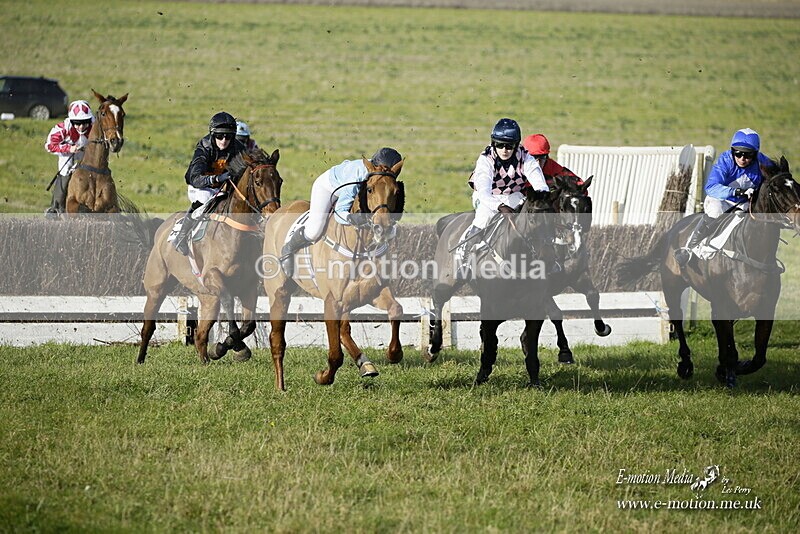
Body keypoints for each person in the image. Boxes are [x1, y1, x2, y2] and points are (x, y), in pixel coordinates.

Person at [280, 147, 403, 277]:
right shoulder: (356, 176)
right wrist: (354, 218)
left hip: (358, 188)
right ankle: (288, 249)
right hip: (329, 187)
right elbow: (340, 212)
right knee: (314, 230)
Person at [460, 118, 554, 276]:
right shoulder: (486, 159)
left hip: (513, 195)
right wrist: (499, 207)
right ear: (493, 143)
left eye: (509, 146)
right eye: (499, 144)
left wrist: (542, 197)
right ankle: (465, 257)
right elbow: (483, 192)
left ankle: (549, 255)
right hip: (487, 197)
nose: (504, 150)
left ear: (516, 145)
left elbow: (539, 183)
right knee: (483, 217)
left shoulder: (526, 158)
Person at [674, 128, 776, 268]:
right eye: (738, 153)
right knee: (716, 210)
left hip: (745, 205)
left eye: (748, 155)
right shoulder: (726, 160)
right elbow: (711, 187)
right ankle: (689, 248)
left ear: (756, 154)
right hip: (721, 200)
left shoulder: (763, 162)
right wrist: (738, 192)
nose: (742, 158)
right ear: (732, 151)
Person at [174, 111, 247, 255]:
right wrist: (216, 179)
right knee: (205, 199)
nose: (224, 140)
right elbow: (195, 178)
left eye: (228, 136)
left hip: (222, 187)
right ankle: (181, 236)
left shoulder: (238, 148)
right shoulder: (204, 147)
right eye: (220, 136)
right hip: (200, 187)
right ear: (213, 135)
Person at [44, 100, 94, 217]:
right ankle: (55, 207)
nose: (81, 127)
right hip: (67, 154)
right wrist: (68, 148)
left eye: (85, 123)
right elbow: (49, 146)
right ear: (71, 121)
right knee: (65, 169)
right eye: (77, 123)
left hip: (86, 153)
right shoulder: (61, 129)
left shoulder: (94, 125)